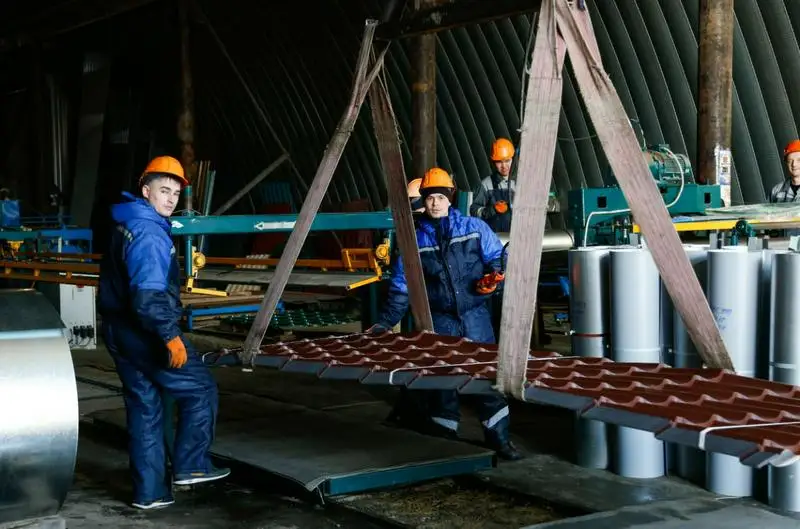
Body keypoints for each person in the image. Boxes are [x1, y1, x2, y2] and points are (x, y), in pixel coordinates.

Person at [97, 156, 229, 510]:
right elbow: (148, 298)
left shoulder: (126, 222)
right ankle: (192, 465)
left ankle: (150, 493)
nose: (170, 199)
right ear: (146, 190)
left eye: (175, 193)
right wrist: (170, 336)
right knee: (200, 389)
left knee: (145, 408)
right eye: (163, 190)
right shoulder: (149, 233)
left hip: (118, 330)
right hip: (146, 333)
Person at [372, 167, 522, 461]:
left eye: (441, 197)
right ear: (423, 201)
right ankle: (446, 443)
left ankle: (500, 440)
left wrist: (494, 276)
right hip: (441, 320)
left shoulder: (475, 228)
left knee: (487, 378)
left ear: (450, 198)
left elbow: (497, 257)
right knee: (443, 381)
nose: (435, 203)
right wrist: (386, 322)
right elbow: (402, 286)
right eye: (430, 198)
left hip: (475, 317)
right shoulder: (414, 242)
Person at [470, 138, 516, 233]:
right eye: (499, 162)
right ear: (493, 162)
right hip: (494, 237)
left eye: (507, 161)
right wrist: (492, 210)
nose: (504, 166)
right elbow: (474, 210)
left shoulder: (522, 182)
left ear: (513, 159)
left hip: (518, 235)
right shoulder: (486, 184)